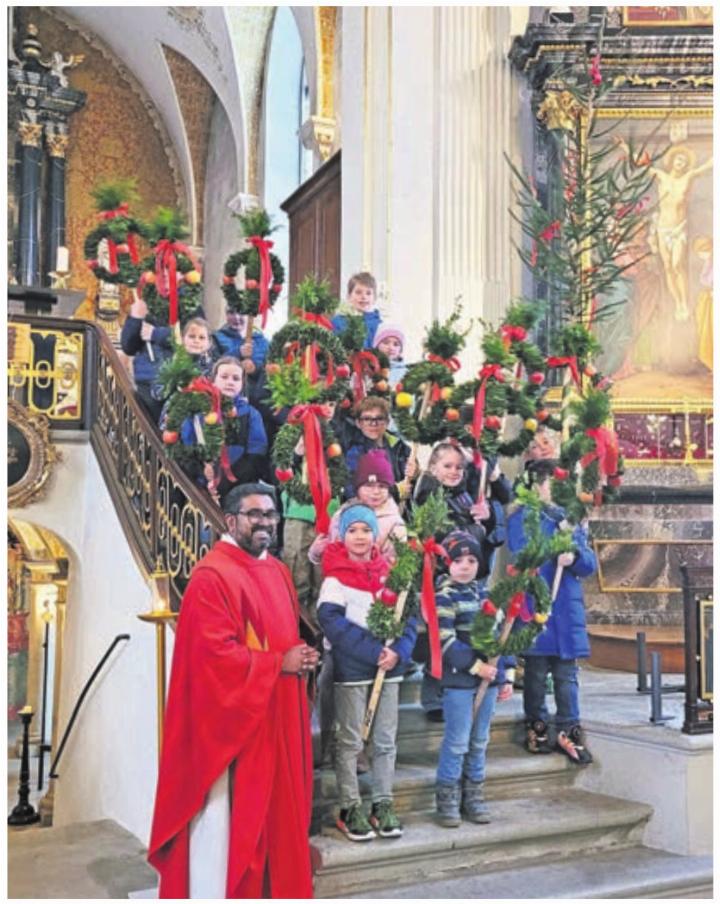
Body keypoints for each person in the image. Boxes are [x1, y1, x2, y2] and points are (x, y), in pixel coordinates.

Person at [148, 482, 318, 898]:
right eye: (254, 514)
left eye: (271, 515)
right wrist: (280, 663)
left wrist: (301, 659)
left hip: (276, 709)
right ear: (230, 520)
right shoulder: (212, 575)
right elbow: (213, 659)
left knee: (279, 817)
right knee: (232, 824)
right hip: (238, 725)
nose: (265, 522)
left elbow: (280, 636)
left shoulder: (276, 569)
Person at [317, 504, 416, 842]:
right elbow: (333, 623)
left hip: (389, 671)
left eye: (366, 530)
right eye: (352, 531)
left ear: (376, 535)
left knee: (386, 741)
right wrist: (373, 652)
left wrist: (398, 652)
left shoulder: (391, 573)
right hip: (354, 670)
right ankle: (350, 804)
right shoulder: (334, 579)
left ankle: (383, 801)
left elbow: (407, 619)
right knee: (350, 741)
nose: (360, 537)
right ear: (341, 536)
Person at [507, 459, 597, 765]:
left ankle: (569, 726)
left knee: (567, 674)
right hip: (538, 601)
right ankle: (537, 723)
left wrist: (573, 557)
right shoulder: (522, 517)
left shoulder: (571, 519)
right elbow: (522, 552)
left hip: (566, 608)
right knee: (535, 672)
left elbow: (589, 564)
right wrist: (553, 544)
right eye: (551, 483)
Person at [434, 530, 515, 827]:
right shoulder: (444, 596)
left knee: (480, 740)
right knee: (457, 741)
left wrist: (505, 673)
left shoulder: (487, 596)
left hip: (489, 680)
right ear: (448, 564)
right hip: (460, 680)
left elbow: (500, 637)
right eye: (458, 560)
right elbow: (445, 641)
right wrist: (475, 666)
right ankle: (447, 797)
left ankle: (474, 794)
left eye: (471, 560)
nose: (465, 566)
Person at [309, 450, 407, 565]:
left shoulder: (394, 524)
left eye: (382, 486)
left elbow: (395, 565)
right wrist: (316, 552)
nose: (376, 492)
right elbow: (328, 551)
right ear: (358, 488)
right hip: (339, 577)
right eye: (369, 486)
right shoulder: (342, 513)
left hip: (372, 580)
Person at [341, 396, 417, 501]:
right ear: (358, 423)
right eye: (367, 419)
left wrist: (415, 472)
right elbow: (352, 491)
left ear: (387, 422)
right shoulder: (354, 453)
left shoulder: (399, 447)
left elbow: (411, 480)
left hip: (398, 512)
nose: (373, 424)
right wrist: (394, 491)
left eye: (379, 418)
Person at [120, 293, 176, 423]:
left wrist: (156, 334)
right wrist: (136, 319)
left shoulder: (188, 301)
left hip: (176, 379)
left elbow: (193, 336)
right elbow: (128, 346)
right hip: (147, 380)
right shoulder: (145, 302)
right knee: (149, 429)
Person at [331, 272, 383, 349]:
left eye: (368, 293)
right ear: (349, 296)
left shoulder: (380, 325)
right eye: (358, 292)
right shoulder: (338, 322)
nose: (364, 297)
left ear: (374, 298)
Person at [373, 324, 408, 388]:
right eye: (386, 343)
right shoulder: (368, 368)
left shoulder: (406, 373)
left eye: (396, 344)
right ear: (376, 346)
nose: (391, 348)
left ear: (400, 350)